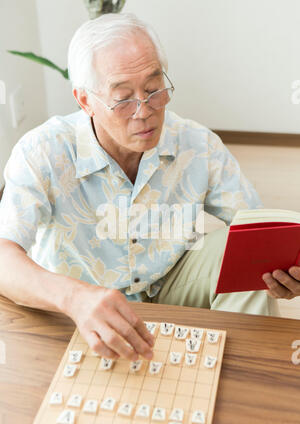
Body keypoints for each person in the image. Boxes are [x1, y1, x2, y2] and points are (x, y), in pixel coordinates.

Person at [0, 13, 299, 361]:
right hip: (81, 307)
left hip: (169, 286)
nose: (144, 111)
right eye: (123, 98)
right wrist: (74, 297)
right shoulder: (41, 152)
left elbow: (260, 231)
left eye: (154, 89)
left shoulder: (196, 143)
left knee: (244, 253)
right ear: (85, 101)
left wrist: (282, 270)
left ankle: (246, 374)